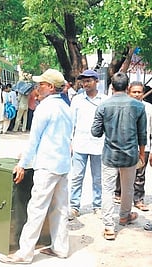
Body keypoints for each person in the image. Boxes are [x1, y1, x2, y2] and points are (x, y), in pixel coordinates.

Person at [0, 69, 72, 264]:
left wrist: (22, 164)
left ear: (50, 87)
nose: (37, 88)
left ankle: (25, 253)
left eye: (41, 84)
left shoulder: (45, 108)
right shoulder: (66, 107)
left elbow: (34, 141)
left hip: (47, 165)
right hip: (63, 165)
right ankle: (60, 248)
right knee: (60, 208)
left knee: (37, 209)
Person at [91, 72, 147, 240]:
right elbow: (142, 134)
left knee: (107, 190)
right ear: (128, 87)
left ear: (111, 87)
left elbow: (95, 132)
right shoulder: (139, 106)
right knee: (128, 188)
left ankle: (109, 226)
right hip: (130, 155)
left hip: (110, 155)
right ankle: (124, 216)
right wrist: (142, 155)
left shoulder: (103, 106)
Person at [68, 69, 107, 220]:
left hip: (99, 145)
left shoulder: (104, 100)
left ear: (97, 82)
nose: (85, 84)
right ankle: (74, 207)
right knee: (77, 176)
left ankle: (97, 206)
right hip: (80, 144)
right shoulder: (77, 100)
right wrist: (69, 142)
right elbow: (71, 123)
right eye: (83, 81)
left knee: (98, 177)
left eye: (89, 81)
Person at [113, 81, 151, 212]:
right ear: (128, 91)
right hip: (125, 145)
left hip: (143, 146)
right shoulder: (123, 106)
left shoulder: (149, 108)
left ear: (143, 93)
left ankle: (138, 199)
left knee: (140, 174)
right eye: (134, 92)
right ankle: (118, 194)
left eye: (139, 92)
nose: (136, 94)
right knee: (121, 171)